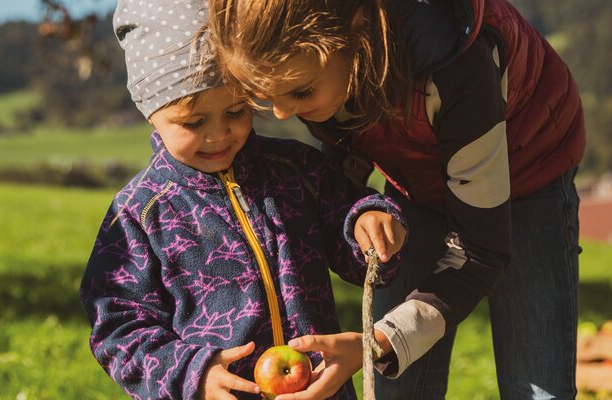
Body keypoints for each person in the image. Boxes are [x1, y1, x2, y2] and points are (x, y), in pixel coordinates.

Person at [206, 0, 586, 398]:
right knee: (398, 386)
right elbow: (342, 167)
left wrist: (375, 344)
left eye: (300, 92)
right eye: (265, 97)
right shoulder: (318, 66)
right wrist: (358, 212)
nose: (283, 113)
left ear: (354, 29)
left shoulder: (458, 68)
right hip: (418, 180)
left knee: (538, 387)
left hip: (528, 170)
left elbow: (480, 250)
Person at [79, 0, 408, 398]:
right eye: (194, 122)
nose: (219, 135)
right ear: (151, 111)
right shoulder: (139, 213)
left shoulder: (295, 170)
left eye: (237, 111)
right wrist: (192, 374)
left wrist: (368, 220)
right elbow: (117, 327)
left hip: (320, 389)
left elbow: (350, 226)